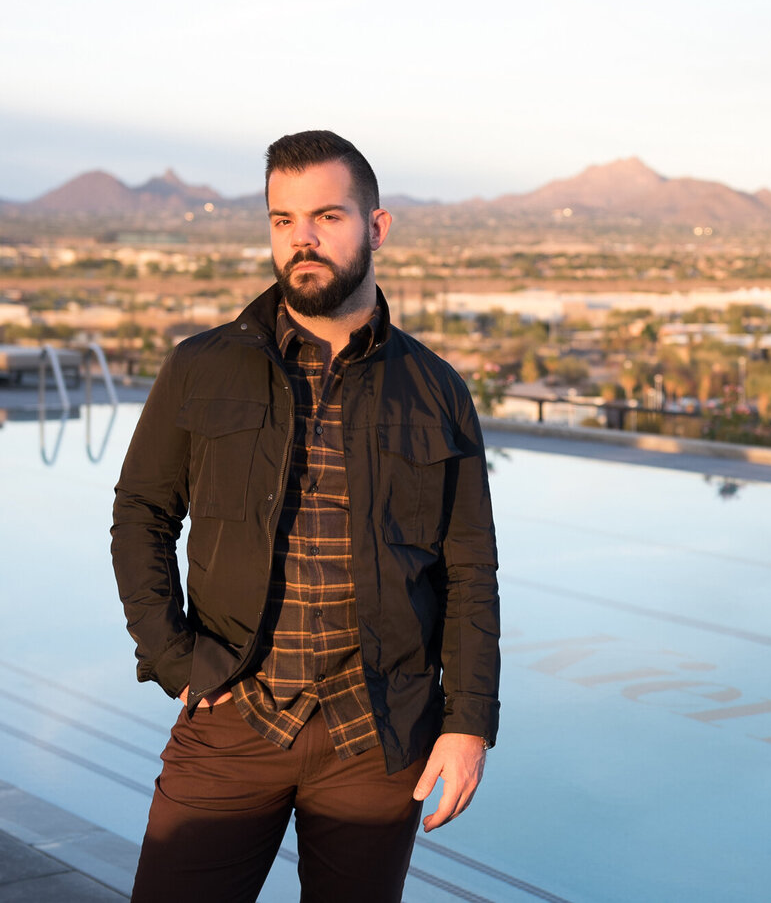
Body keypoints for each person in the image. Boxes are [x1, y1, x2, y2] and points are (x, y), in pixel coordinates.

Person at [111, 130, 500, 901]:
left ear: (377, 227)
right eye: (283, 220)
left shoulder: (436, 389)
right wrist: (175, 657)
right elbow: (142, 515)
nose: (303, 239)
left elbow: (469, 570)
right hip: (232, 719)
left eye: (326, 216)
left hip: (376, 738)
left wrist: (468, 726)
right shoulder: (201, 366)